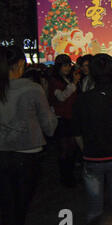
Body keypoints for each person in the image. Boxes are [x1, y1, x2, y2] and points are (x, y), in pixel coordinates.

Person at [0, 45, 58, 225]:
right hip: (27, 154)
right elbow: (49, 126)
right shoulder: (32, 88)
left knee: (7, 206)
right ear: (20, 63)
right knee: (20, 205)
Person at [72, 54, 112, 223]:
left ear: (92, 73)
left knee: (94, 208)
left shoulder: (83, 100)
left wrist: (85, 149)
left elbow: (77, 133)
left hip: (92, 157)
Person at [47, 54, 81, 187]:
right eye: (65, 65)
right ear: (59, 67)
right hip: (61, 119)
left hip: (70, 117)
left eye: (68, 65)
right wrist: (74, 84)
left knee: (71, 149)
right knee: (64, 150)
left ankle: (69, 176)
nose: (67, 68)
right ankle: (65, 177)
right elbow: (61, 97)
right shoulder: (54, 81)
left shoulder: (65, 79)